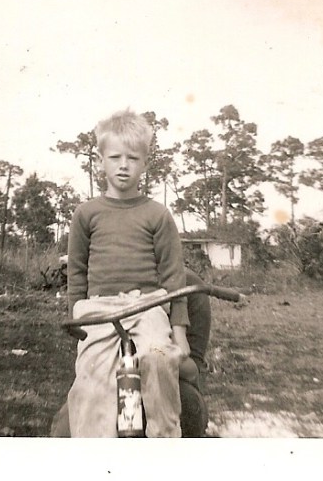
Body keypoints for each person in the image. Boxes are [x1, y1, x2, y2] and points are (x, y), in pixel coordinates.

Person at [64, 109, 190, 437]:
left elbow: (174, 277)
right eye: (115, 157)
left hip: (148, 306)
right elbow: (76, 272)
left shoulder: (157, 214)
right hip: (99, 309)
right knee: (91, 383)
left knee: (158, 358)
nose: (124, 165)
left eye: (132, 158)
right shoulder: (86, 214)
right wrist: (77, 321)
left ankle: (165, 437)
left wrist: (179, 334)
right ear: (100, 161)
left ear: (144, 164)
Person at [51, 268, 212, 437]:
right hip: (107, 379)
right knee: (65, 428)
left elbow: (193, 370)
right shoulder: (99, 280)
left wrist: (157, 351)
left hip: (170, 383)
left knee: (187, 408)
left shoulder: (189, 284)